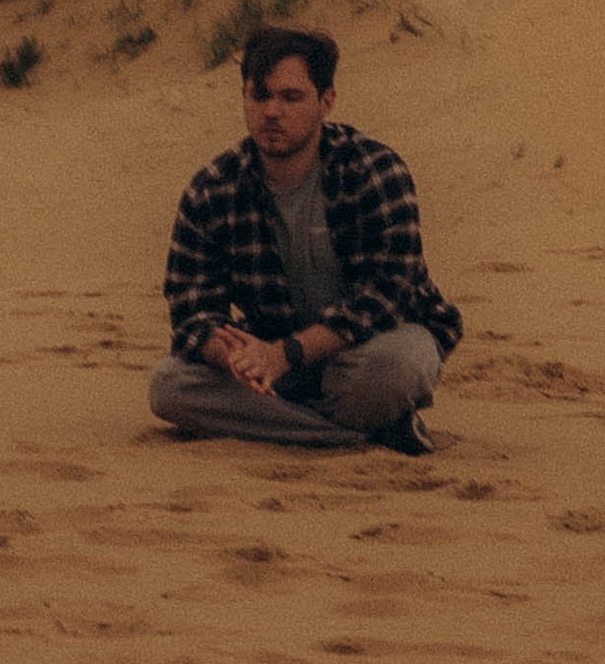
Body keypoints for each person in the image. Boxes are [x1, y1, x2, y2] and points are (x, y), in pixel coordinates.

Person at [148, 23, 462, 455]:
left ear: (325, 101)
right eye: (260, 96)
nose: (271, 112)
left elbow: (389, 292)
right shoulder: (213, 188)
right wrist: (239, 358)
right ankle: (359, 434)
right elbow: (192, 310)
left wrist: (288, 354)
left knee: (393, 369)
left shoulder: (373, 169)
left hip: (371, 346)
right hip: (275, 350)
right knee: (171, 386)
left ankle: (293, 421)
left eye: (291, 97)